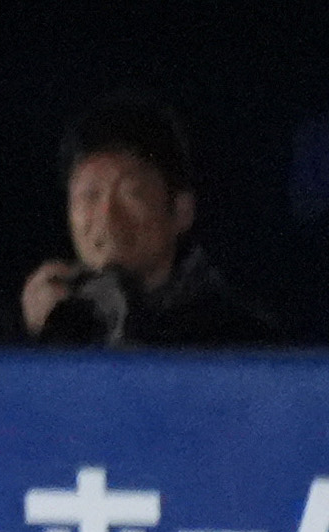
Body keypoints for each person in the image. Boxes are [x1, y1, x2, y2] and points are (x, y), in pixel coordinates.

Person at [18, 93, 272, 344]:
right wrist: (45, 335)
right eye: (90, 195)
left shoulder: (237, 337)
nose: (108, 215)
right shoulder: (26, 328)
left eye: (132, 194)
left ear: (181, 212)